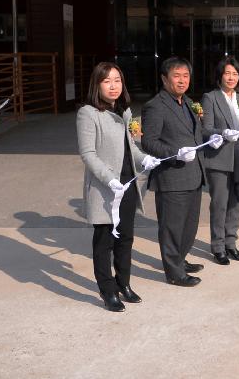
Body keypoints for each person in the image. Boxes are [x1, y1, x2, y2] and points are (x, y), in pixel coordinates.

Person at [76, 62, 160, 312]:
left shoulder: (124, 111)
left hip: (128, 186)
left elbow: (130, 148)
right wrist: (110, 179)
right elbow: (88, 154)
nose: (114, 86)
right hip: (105, 189)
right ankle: (108, 291)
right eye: (107, 81)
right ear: (97, 84)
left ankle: (124, 283)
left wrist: (144, 158)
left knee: (125, 238)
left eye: (117, 80)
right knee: (104, 242)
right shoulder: (88, 113)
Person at [141, 57, 208, 287]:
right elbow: (148, 142)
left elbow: (196, 133)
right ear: (164, 78)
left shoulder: (188, 102)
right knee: (171, 227)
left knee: (190, 225)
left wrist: (217, 136)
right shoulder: (156, 106)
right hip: (172, 177)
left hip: (194, 175)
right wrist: (175, 152)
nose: (182, 80)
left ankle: (179, 259)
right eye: (176, 76)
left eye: (186, 75)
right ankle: (173, 272)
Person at [200, 57, 239, 265]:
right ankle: (218, 246)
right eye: (227, 73)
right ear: (219, 76)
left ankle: (231, 243)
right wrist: (223, 132)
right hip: (219, 159)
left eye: (235, 74)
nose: (231, 77)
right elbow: (205, 129)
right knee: (220, 204)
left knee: (236, 202)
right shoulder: (210, 97)